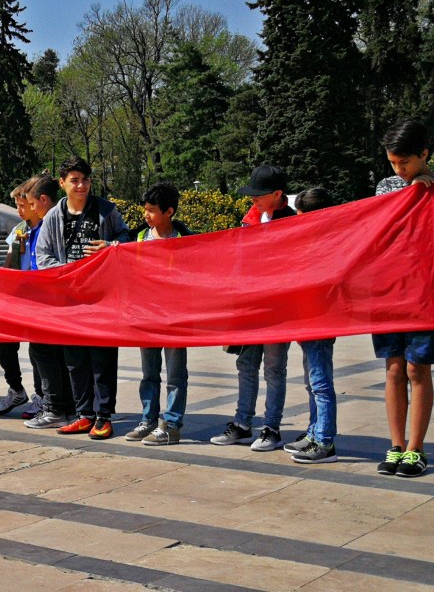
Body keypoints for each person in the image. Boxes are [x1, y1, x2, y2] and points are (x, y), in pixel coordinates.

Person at [371, 119, 434, 478]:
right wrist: (408, 195)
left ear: (424, 154)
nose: (399, 169)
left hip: (426, 289)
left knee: (417, 368)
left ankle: (415, 448)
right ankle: (395, 445)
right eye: (393, 162)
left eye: (405, 162)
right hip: (389, 289)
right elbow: (380, 231)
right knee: (394, 368)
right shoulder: (387, 187)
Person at [35, 156, 130, 439]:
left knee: (102, 360)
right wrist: (68, 273)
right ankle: (84, 414)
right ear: (62, 183)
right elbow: (43, 256)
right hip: (70, 300)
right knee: (75, 361)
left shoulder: (106, 210)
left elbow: (126, 239)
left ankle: (103, 417)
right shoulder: (53, 217)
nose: (81, 186)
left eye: (85, 180)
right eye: (74, 180)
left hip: (102, 297)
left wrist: (110, 246)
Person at [211, 165, 296, 451]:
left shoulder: (293, 222)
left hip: (278, 309)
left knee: (274, 368)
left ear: (277, 194)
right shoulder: (249, 219)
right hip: (249, 305)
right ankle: (242, 424)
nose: (252, 199)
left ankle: (271, 428)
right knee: (246, 365)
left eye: (258, 194)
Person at [122, 183, 193, 446]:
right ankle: (148, 420)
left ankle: (171, 425)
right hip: (146, 316)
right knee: (149, 374)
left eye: (152, 210)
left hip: (175, 318)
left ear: (169, 211)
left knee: (176, 375)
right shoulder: (137, 237)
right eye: (145, 209)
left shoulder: (187, 240)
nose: (146, 215)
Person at [282, 187, 340, 464]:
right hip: (306, 320)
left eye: (302, 216)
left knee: (320, 384)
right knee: (312, 383)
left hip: (320, 322)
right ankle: (314, 432)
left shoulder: (328, 245)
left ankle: (325, 442)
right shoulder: (313, 242)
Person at [22, 175, 78, 429]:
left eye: (33, 204)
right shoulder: (44, 224)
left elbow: (47, 263)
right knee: (51, 353)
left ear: (44, 200)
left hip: (52, 299)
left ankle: (55, 408)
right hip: (45, 298)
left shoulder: (52, 224)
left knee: (44, 351)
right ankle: (65, 407)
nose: (31, 209)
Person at [0, 179, 39, 417]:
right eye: (17, 206)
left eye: (23, 205)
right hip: (16, 298)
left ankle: (42, 396)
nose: (19, 211)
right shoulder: (19, 230)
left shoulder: (46, 227)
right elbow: (8, 262)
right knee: (5, 344)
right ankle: (16, 389)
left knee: (38, 349)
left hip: (38, 298)